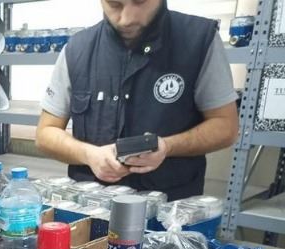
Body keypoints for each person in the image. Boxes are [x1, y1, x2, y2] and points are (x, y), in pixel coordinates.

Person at [36, 0, 239, 200]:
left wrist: (167, 147)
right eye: (114, 4)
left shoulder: (199, 40)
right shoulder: (77, 49)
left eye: (140, 2)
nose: (127, 19)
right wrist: (89, 155)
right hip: (91, 205)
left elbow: (225, 126)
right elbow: (46, 133)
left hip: (170, 208)